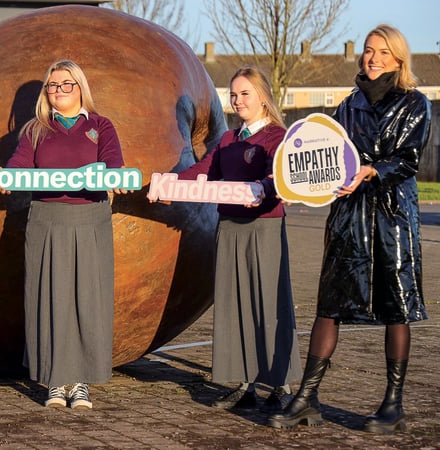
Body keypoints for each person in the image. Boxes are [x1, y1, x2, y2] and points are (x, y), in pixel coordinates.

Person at [269, 24, 431, 433]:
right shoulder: (346, 105)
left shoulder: (415, 103)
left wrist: (373, 170)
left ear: (398, 58)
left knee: (397, 305)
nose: (372, 58)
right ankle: (307, 397)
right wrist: (297, 186)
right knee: (330, 304)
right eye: (367, 51)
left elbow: (408, 160)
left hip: (392, 216)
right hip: (348, 215)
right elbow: (325, 159)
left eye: (381, 52)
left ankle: (393, 404)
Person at [167, 66, 301, 413]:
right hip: (229, 228)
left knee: (269, 305)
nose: (237, 100)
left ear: (262, 97)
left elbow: (281, 179)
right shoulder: (228, 140)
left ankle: (281, 386)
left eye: (245, 94)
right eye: (233, 94)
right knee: (235, 305)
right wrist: (167, 185)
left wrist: (266, 188)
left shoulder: (279, 137)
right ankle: (244, 386)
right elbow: (203, 171)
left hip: (264, 227)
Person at [0, 60, 126, 409]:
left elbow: (114, 162)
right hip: (46, 220)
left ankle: (80, 381)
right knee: (48, 297)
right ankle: (55, 379)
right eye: (52, 86)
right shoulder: (35, 129)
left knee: (87, 298)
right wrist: (6, 178)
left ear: (80, 87)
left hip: (90, 219)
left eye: (66, 84)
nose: (57, 92)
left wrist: (118, 178)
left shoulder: (101, 126)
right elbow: (19, 164)